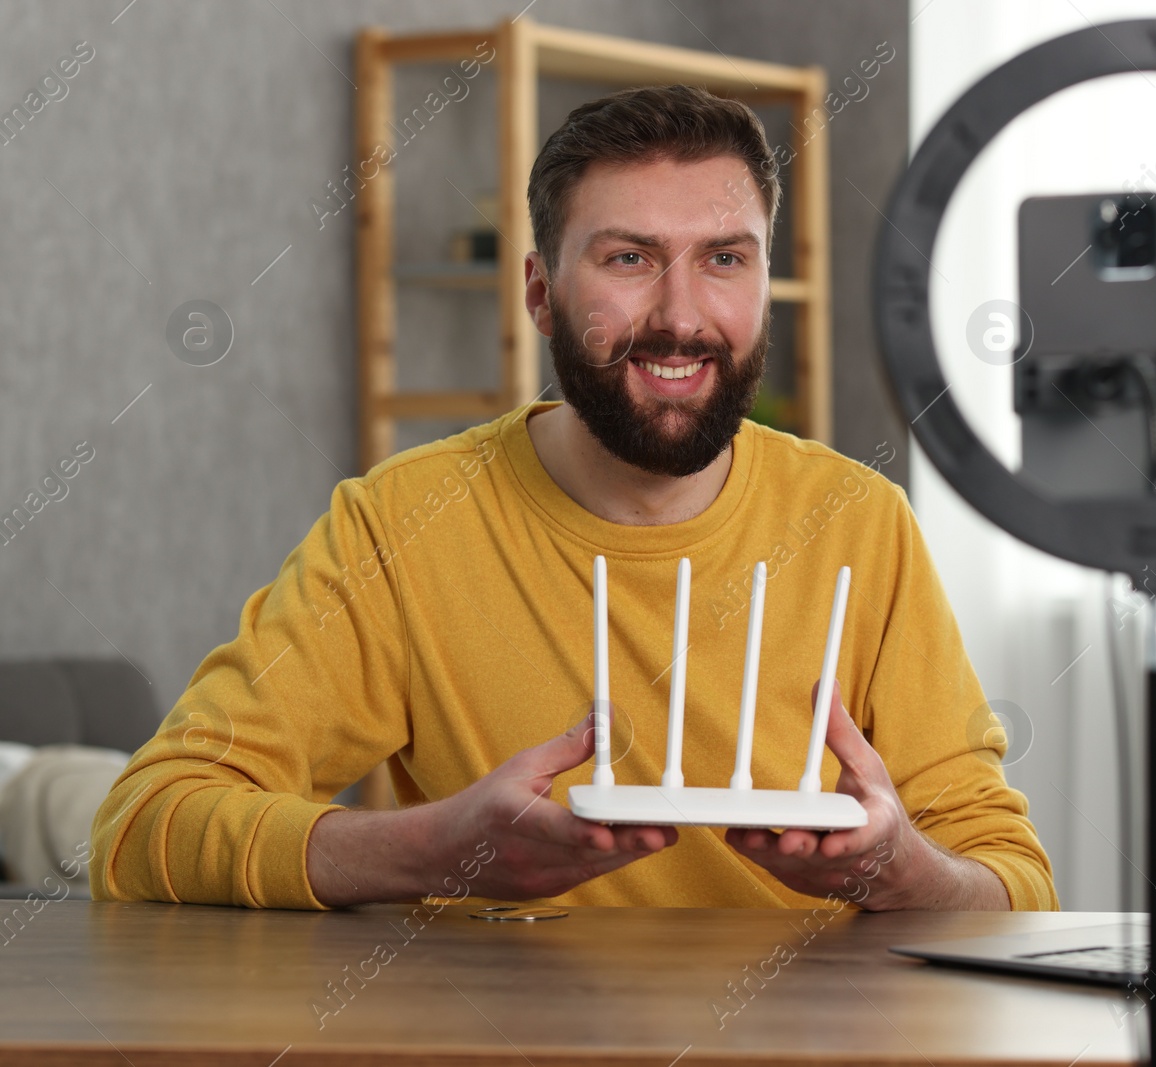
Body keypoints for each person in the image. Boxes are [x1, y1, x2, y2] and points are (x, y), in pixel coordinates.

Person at [90, 85, 1056, 912]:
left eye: (726, 258)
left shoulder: (860, 524)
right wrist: (436, 850)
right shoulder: (400, 525)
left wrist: (899, 868)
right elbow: (142, 825)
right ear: (541, 293)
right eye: (628, 259)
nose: (681, 317)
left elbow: (1016, 881)